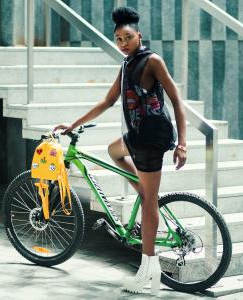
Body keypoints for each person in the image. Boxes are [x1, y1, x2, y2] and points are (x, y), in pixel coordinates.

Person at [53, 6, 187, 296]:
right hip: (135, 136)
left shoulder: (153, 61)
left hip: (153, 137)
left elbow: (176, 101)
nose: (123, 43)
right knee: (113, 151)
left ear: (139, 35)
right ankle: (144, 191)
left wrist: (183, 143)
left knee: (150, 201)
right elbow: (107, 101)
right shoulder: (126, 65)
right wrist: (73, 124)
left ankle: (148, 272)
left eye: (127, 37)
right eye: (118, 39)